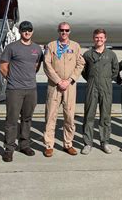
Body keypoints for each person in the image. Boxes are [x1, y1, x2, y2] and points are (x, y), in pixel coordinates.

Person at [0, 21, 43, 162]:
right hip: (15, 89)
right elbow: (3, 67)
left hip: (31, 89)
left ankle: (24, 145)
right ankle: (9, 148)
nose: (27, 32)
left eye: (29, 30)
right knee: (11, 120)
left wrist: (27, 77)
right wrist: (12, 79)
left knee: (27, 118)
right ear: (20, 31)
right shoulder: (11, 47)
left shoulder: (37, 48)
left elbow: (37, 65)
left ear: (32, 31)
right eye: (24, 30)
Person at [43, 22, 85, 157]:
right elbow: (47, 64)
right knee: (51, 116)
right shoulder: (51, 46)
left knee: (69, 116)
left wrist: (70, 79)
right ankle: (49, 145)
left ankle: (68, 144)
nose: (64, 32)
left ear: (70, 31)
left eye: (66, 30)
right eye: (62, 30)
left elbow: (80, 64)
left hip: (70, 86)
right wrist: (58, 81)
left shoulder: (75, 46)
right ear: (58, 31)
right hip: (54, 86)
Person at [81, 28, 119, 155]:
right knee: (89, 115)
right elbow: (84, 71)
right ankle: (87, 143)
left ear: (105, 39)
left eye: (101, 37)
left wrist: (106, 80)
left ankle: (105, 142)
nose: (99, 39)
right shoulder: (87, 54)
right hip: (92, 86)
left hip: (106, 87)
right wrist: (92, 79)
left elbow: (115, 70)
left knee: (105, 116)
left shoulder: (111, 55)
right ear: (93, 38)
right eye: (97, 37)